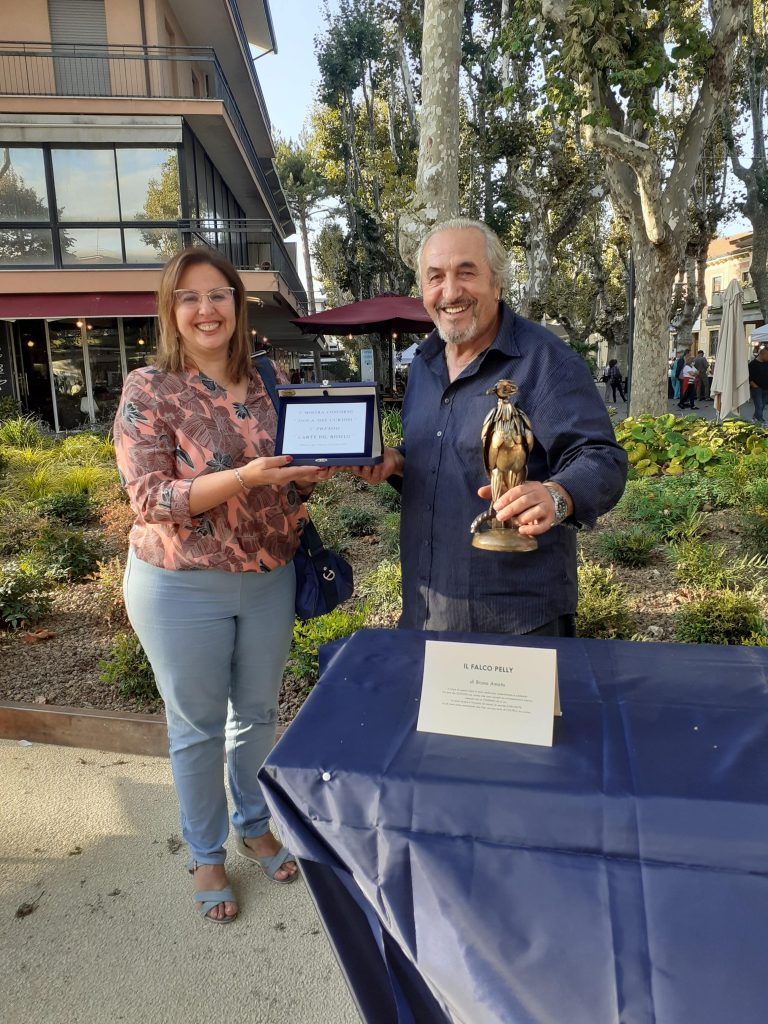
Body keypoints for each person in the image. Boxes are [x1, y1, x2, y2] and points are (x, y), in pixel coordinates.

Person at [113, 248, 327, 924]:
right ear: (171, 312)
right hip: (181, 586)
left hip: (267, 576)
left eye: (218, 295)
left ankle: (252, 821)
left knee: (257, 716)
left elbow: (288, 467)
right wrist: (247, 477)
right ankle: (206, 851)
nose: (206, 309)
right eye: (189, 297)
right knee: (198, 729)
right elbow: (150, 498)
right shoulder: (149, 388)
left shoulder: (270, 378)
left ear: (238, 305)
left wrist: (304, 475)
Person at [349, 218, 627, 636]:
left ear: (497, 284)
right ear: (424, 291)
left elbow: (602, 459)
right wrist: (398, 463)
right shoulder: (423, 365)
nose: (450, 291)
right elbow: (441, 456)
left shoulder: (544, 361)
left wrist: (557, 494)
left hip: (517, 620)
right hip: (427, 606)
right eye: (436, 277)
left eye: (466, 272)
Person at [748, 344, 768, 424]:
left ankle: (754, 418)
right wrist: (753, 384)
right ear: (762, 354)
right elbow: (748, 376)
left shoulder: (767, 363)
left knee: (762, 405)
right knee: (759, 405)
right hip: (756, 388)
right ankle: (760, 420)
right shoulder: (752, 364)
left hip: (766, 388)